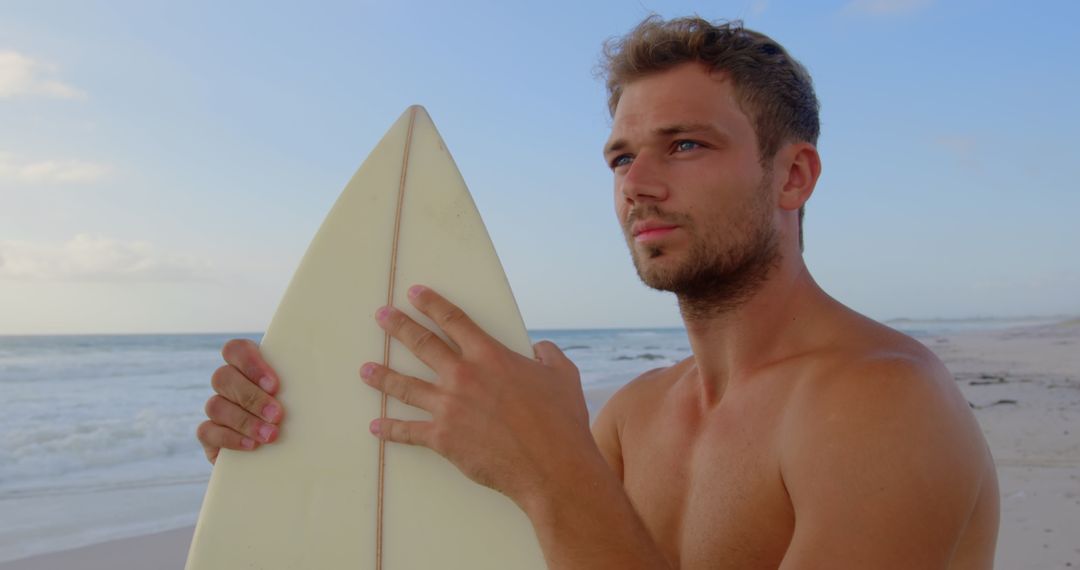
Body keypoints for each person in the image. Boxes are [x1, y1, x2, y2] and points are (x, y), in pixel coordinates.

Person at [197, 16, 999, 569]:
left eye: (684, 145)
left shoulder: (883, 404)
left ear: (792, 175)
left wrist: (555, 468)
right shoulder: (632, 418)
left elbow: (568, 506)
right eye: (620, 158)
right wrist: (294, 447)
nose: (638, 186)